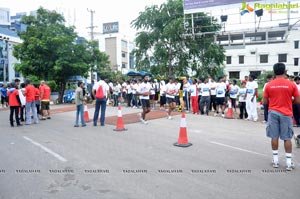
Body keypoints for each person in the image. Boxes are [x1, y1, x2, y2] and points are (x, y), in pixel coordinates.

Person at [263, 62, 300, 171]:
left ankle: (275, 161)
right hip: (286, 113)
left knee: (274, 136)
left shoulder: (269, 85)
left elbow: (265, 101)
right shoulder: (291, 84)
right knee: (287, 137)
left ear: (274, 72)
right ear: (285, 72)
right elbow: (298, 100)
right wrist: (289, 101)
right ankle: (288, 163)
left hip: (273, 112)